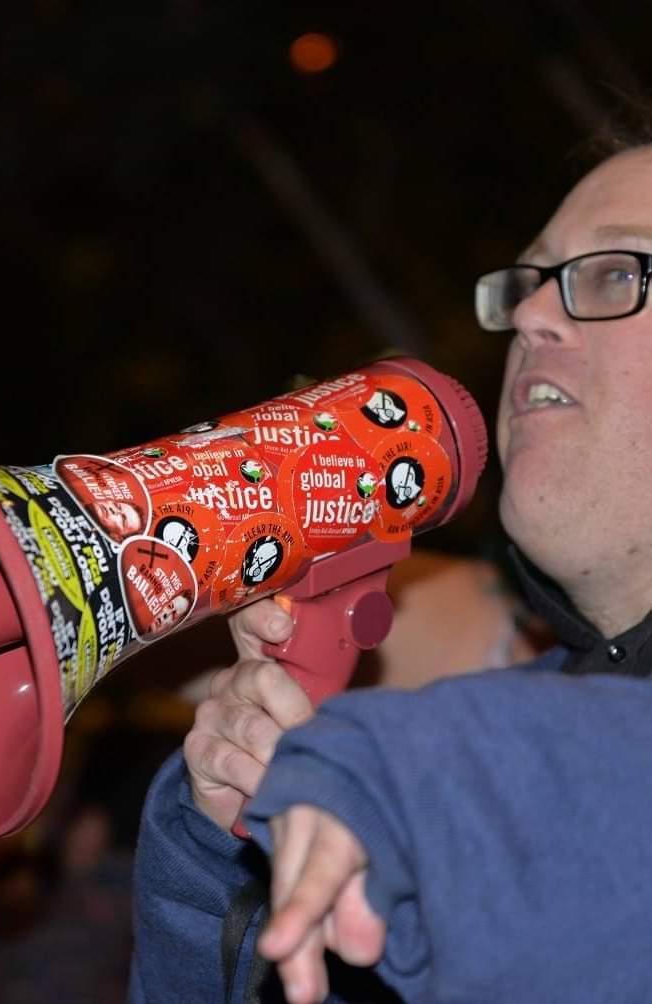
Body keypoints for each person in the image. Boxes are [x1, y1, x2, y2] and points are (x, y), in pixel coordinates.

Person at [130, 139, 652, 1003]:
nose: (528, 315)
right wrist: (226, 856)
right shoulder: (475, 745)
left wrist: (406, 770)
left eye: (616, 275)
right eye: (529, 282)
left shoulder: (452, 755)